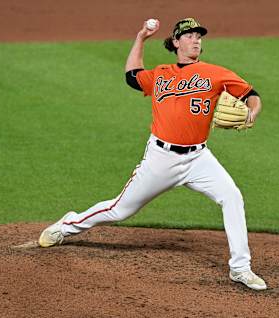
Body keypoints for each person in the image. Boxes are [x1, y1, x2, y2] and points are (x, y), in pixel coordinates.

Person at [38, 18, 266, 291]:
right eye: (190, 35)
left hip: (199, 158)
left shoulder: (216, 73)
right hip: (161, 158)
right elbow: (131, 76)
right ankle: (66, 226)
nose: (196, 40)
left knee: (232, 197)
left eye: (198, 36)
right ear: (176, 42)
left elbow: (251, 94)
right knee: (119, 210)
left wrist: (252, 112)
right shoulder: (160, 74)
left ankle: (240, 268)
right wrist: (140, 38)